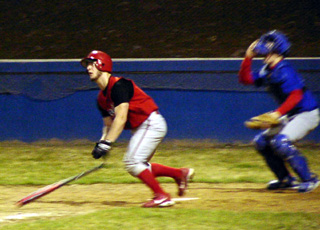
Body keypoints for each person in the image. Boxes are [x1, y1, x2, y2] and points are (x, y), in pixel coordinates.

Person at [80, 50, 195, 207]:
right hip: (143, 127)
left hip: (150, 123)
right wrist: (101, 142)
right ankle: (179, 174)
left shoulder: (119, 85)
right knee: (139, 165)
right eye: (87, 65)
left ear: (102, 64)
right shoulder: (101, 99)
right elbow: (109, 125)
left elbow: (120, 118)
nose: (88, 68)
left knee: (133, 163)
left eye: (91, 64)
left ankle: (162, 196)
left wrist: (108, 143)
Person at [238, 30, 320, 193]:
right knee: (261, 142)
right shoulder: (268, 69)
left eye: (268, 51)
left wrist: (277, 114)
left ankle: (309, 179)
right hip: (290, 115)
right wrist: (248, 57)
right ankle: (285, 179)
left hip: (307, 114)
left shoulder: (284, 69)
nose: (264, 54)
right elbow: (245, 79)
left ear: (278, 51)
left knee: (280, 142)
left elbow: (296, 95)